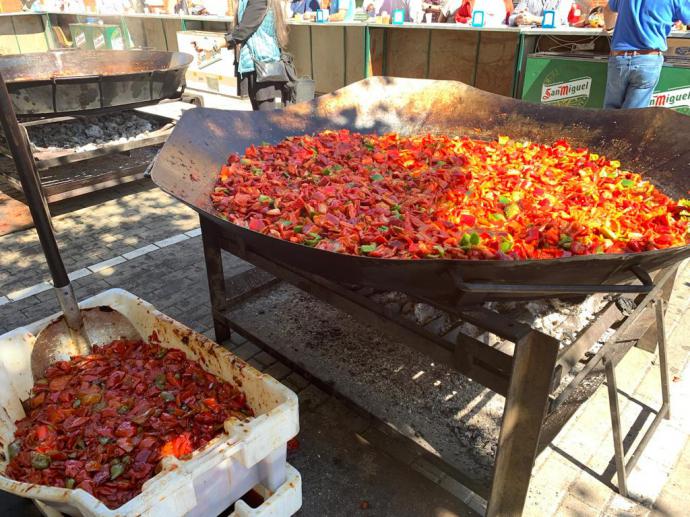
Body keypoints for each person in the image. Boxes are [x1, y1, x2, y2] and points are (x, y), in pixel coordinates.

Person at [196, 0, 289, 110]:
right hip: (255, 64)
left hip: (262, 64)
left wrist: (214, 45)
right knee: (259, 118)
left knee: (266, 120)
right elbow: (240, 30)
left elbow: (243, 30)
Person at [603, 0, 690, 109]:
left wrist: (610, 29)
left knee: (609, 115)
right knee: (633, 118)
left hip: (619, 57)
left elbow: (608, 10)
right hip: (648, 59)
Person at [447, 0, 512, 25]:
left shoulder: (506, 2)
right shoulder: (469, 1)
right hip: (472, 40)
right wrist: (468, 22)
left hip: (500, 41)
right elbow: (460, 18)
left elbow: (511, 19)